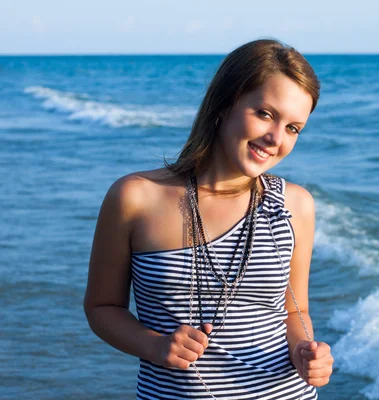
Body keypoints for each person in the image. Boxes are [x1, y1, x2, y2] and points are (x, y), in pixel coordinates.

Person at [83, 39, 334, 399]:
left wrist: (304, 351)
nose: (275, 138)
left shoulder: (295, 205)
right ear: (224, 104)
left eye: (293, 128)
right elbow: (101, 308)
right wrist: (154, 345)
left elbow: (296, 311)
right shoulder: (135, 197)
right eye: (265, 113)